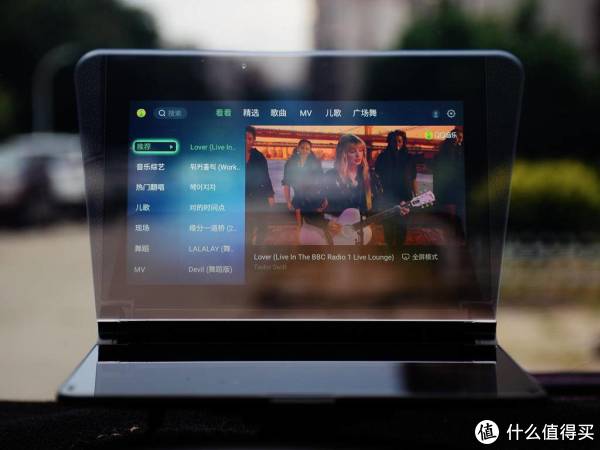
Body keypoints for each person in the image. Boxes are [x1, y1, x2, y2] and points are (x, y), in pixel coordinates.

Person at [374, 130, 417, 249]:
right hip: (387, 196)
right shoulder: (382, 157)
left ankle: (399, 248)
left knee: (402, 224)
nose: (397, 143)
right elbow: (376, 177)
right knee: (388, 223)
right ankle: (389, 247)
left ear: (403, 142)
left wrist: (416, 195)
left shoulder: (409, 158)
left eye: (399, 141)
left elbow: (413, 178)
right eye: (394, 141)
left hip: (405, 195)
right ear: (389, 142)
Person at [282, 139, 325, 227]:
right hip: (298, 197)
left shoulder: (315, 163)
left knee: (316, 225)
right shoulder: (290, 163)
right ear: (298, 148)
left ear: (310, 150)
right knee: (300, 226)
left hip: (314, 197)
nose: (304, 150)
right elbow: (286, 184)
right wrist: (288, 201)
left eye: (307, 149)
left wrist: (325, 197)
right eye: (302, 148)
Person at [433, 127, 465, 237]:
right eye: (457, 137)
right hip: (449, 187)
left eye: (460, 137)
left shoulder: (459, 150)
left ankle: (456, 234)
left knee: (458, 213)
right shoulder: (445, 152)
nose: (459, 139)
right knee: (450, 214)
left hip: (457, 187)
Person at [245, 126, 274, 245]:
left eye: (249, 138)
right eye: (243, 137)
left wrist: (270, 195)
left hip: (259, 196)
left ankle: (258, 248)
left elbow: (266, 176)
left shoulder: (259, 157)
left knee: (262, 226)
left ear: (253, 141)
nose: (246, 141)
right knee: (246, 228)